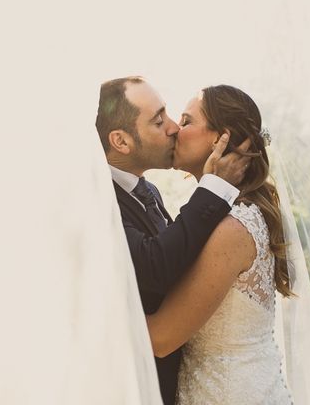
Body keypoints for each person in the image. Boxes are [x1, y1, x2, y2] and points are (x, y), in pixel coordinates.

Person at [95, 76, 250, 405]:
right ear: (121, 141)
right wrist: (214, 189)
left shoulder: (147, 190)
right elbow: (155, 266)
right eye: (159, 120)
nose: (173, 129)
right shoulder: (95, 200)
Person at [146, 85, 294, 404]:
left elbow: (161, 338)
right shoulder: (225, 213)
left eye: (186, 121)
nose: (173, 129)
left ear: (219, 139)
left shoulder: (233, 228)